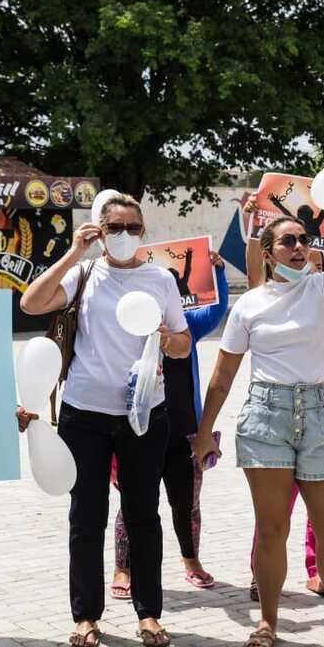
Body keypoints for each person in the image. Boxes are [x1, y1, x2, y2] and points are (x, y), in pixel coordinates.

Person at [194, 168, 324, 647]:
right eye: (287, 241)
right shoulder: (250, 306)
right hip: (266, 416)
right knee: (272, 530)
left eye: (303, 240)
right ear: (268, 253)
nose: (298, 247)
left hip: (319, 413)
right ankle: (268, 621)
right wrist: (205, 432)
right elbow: (222, 377)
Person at [20, 192, 191, 647]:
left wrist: (165, 339)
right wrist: (74, 252)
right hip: (84, 413)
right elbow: (32, 303)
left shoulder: (160, 278)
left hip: (143, 413)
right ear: (99, 230)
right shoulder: (84, 273)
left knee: (143, 515)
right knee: (86, 516)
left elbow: (184, 344)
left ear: (143, 231)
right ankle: (85, 615)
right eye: (115, 227)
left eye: (133, 228)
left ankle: (149, 612)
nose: (125, 235)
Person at [111, 250, 229, 597]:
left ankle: (191, 561)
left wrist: (219, 274)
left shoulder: (187, 324)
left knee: (187, 503)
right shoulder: (126, 324)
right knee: (133, 502)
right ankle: (123, 568)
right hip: (139, 430)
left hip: (183, 431)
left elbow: (217, 311)